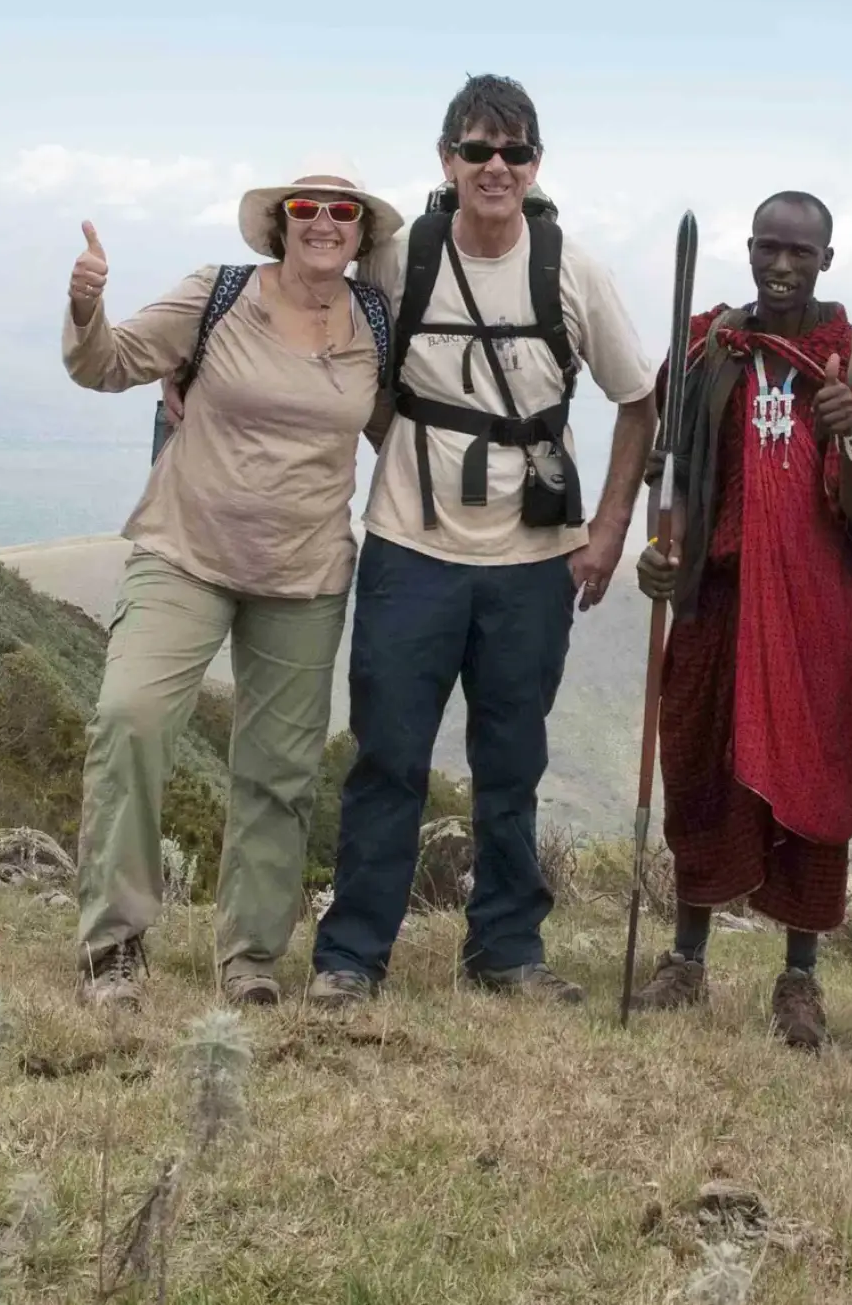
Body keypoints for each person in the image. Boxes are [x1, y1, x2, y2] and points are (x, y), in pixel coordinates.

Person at [310, 76, 657, 1006]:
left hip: (532, 561)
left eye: (512, 151)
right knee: (389, 754)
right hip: (409, 545)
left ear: (537, 165)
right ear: (446, 160)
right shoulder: (401, 257)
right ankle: (351, 957)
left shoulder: (571, 270)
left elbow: (638, 395)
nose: (494, 167)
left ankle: (505, 952)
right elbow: (321, 332)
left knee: (513, 761)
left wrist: (609, 527)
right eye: (477, 150)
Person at [62, 161, 402, 1010]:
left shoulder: (374, 322)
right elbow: (109, 364)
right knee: (129, 717)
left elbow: (401, 430)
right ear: (281, 223)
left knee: (280, 772)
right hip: (184, 550)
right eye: (306, 207)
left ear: (361, 232)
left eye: (343, 211)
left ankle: (250, 959)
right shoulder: (218, 294)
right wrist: (85, 304)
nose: (324, 220)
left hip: (306, 572)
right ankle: (114, 946)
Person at [627, 191, 852, 1048]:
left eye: (800, 252)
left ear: (827, 258)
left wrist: (849, 431)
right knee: (701, 762)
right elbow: (666, 472)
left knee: (813, 785)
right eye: (768, 249)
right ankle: (685, 957)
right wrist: (659, 554)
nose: (781, 266)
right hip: (717, 599)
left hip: (818, 614)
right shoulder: (712, 348)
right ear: (749, 250)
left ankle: (799, 978)